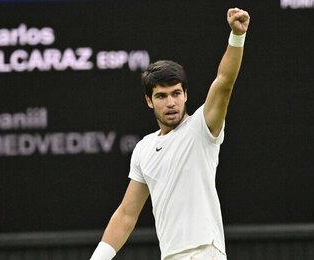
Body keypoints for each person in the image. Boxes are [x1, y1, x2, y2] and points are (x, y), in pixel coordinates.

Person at [90, 8, 250, 260]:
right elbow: (126, 214)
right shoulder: (144, 149)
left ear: (185, 94)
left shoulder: (201, 128)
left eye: (176, 93)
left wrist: (236, 36)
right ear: (149, 101)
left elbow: (224, 82)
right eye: (161, 96)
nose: (171, 102)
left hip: (205, 252)